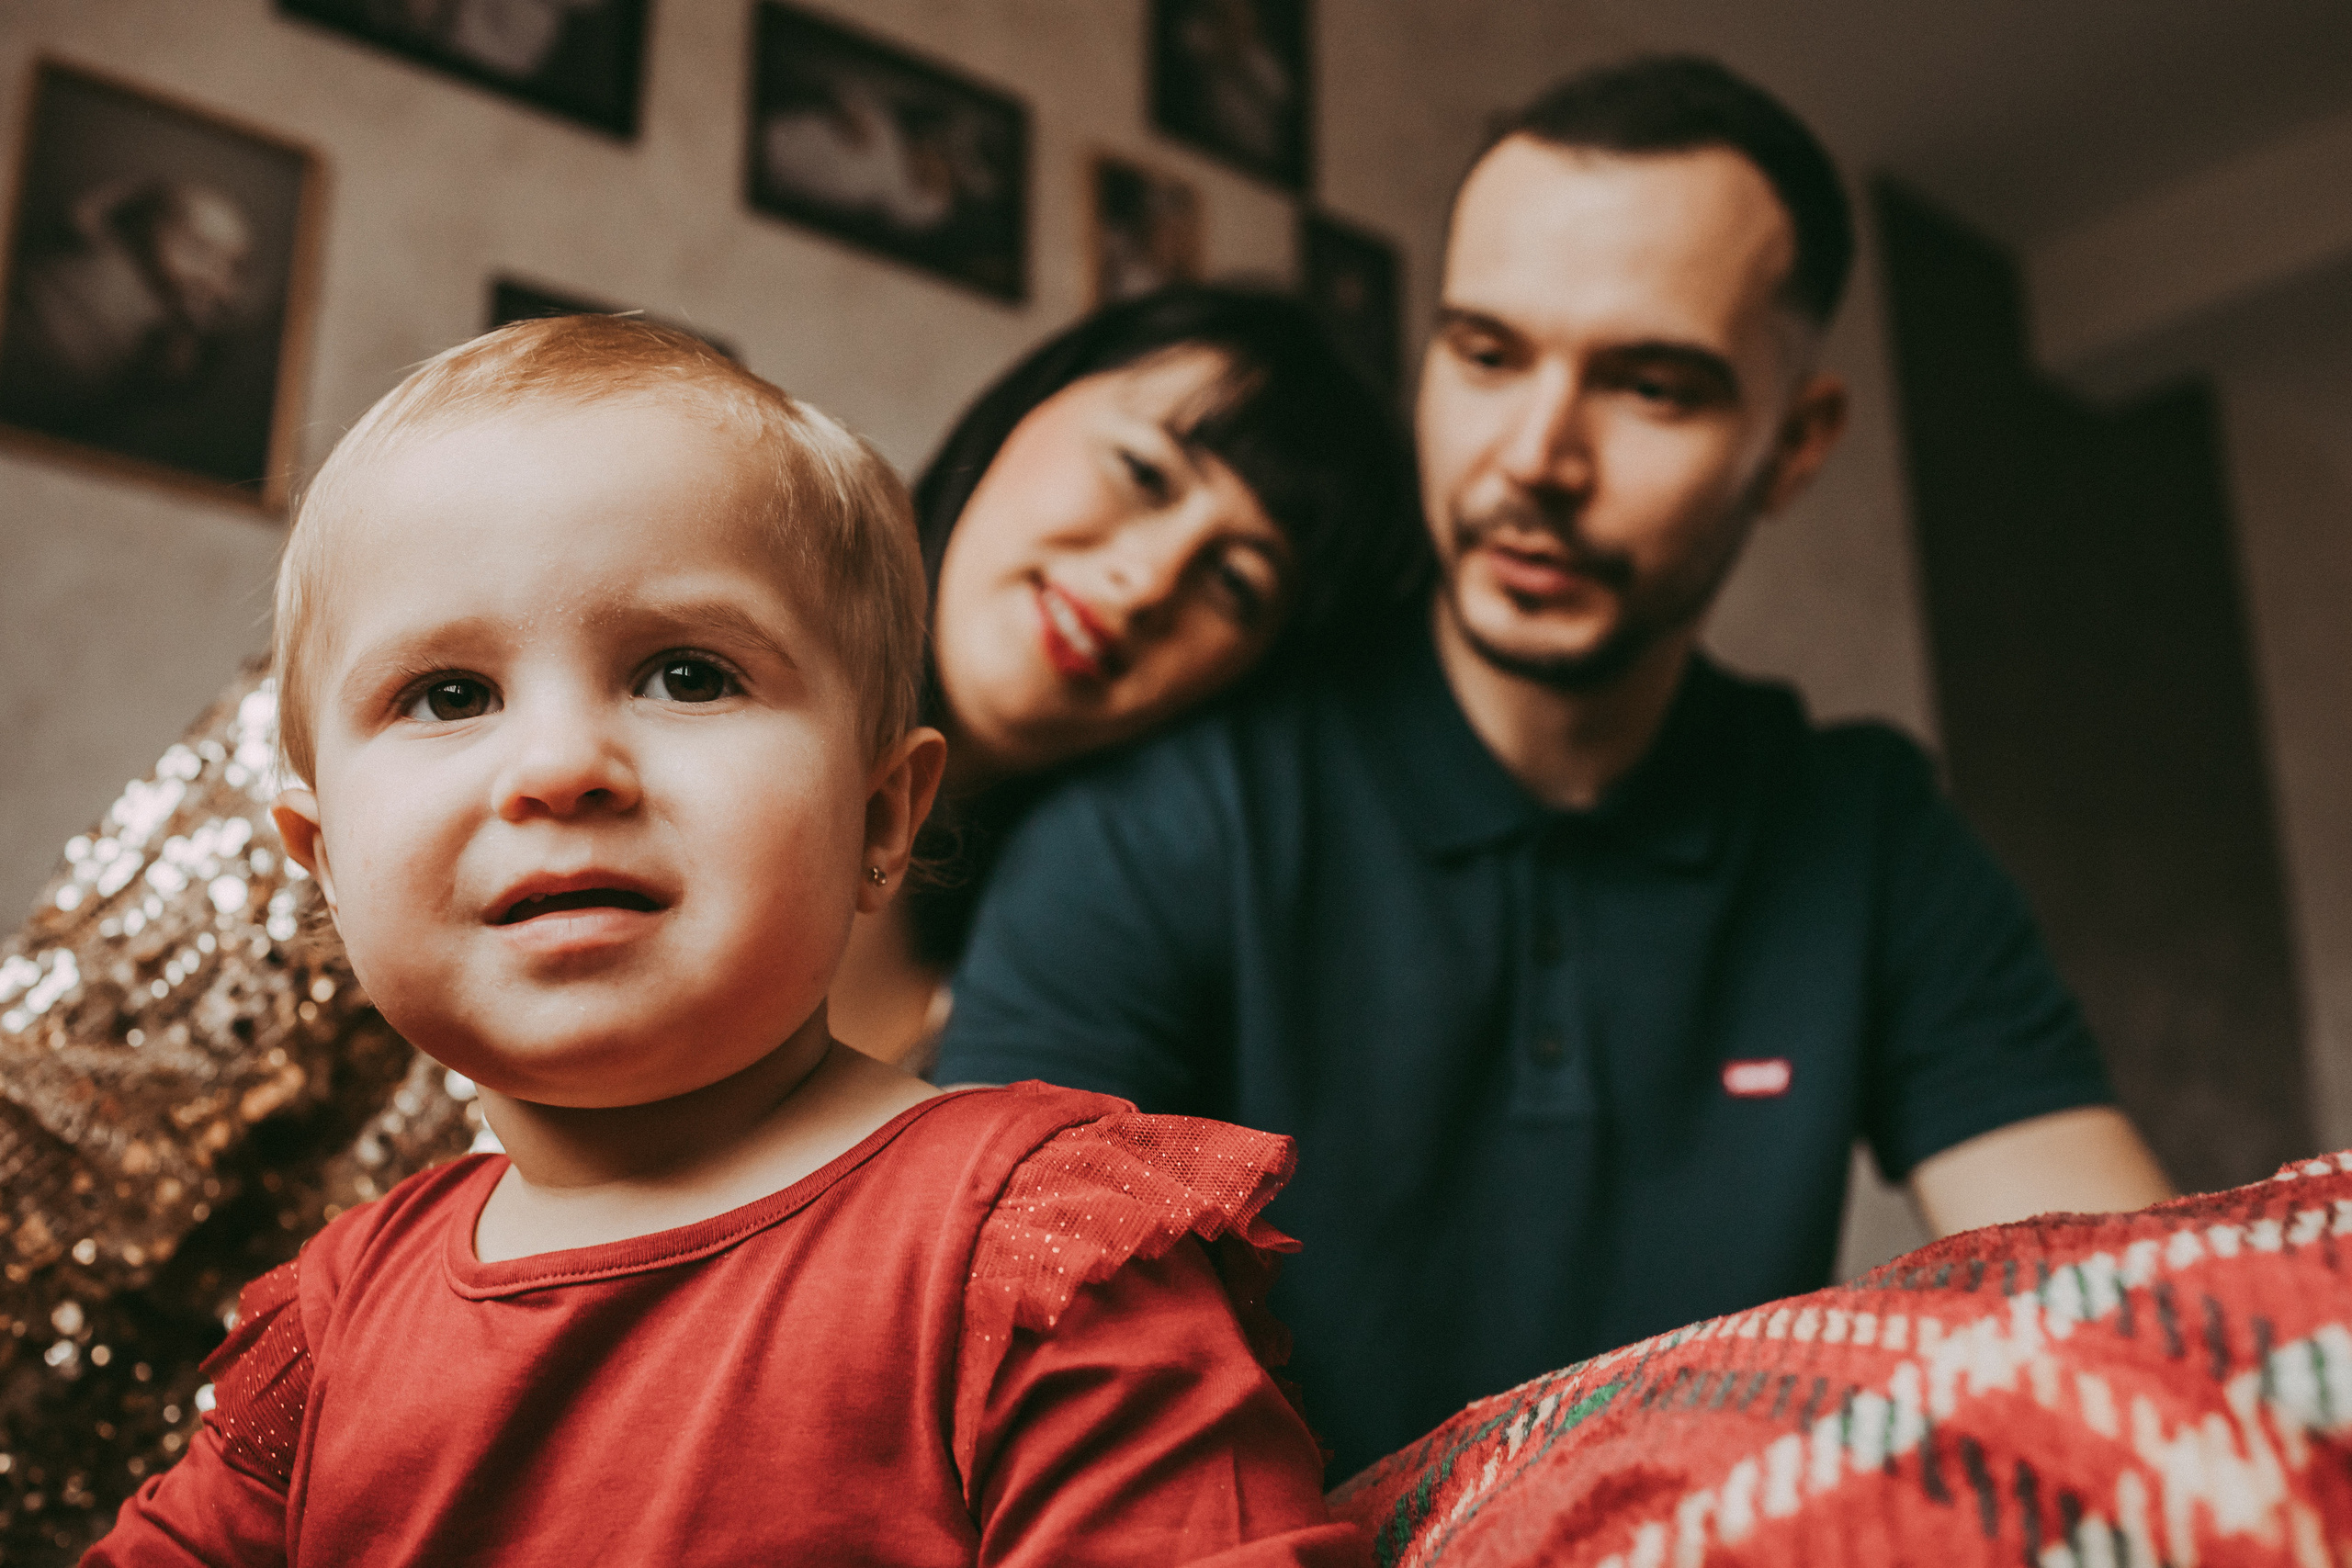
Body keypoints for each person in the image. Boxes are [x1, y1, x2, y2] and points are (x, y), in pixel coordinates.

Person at [0, 286, 1419, 1557]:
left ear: (888, 820)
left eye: (688, 678)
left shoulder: (1039, 1216)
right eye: (451, 694)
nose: (1148, 577)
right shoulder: (329, 1323)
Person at [933, 56, 2175, 1478]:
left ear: (1794, 447)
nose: (1534, 458)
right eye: (1487, 353)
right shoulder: (1172, 806)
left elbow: (2134, 1319)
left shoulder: (1862, 829)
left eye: (1650, 387)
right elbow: (1007, 1386)